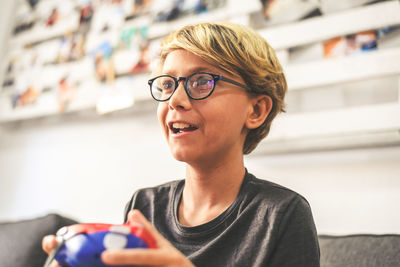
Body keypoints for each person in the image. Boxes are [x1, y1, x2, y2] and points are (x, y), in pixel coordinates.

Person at [43, 22, 320, 267]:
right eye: (167, 85)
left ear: (256, 110)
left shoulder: (281, 214)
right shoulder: (144, 206)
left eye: (202, 82)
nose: (174, 99)